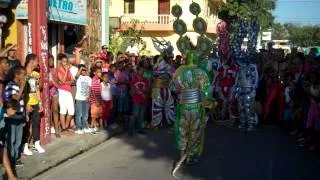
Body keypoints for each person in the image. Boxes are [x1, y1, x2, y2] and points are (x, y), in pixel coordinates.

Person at [4, 66, 26, 168]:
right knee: (11, 140)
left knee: (18, 140)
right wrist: (21, 87)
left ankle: (16, 158)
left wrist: (24, 115)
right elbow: (15, 99)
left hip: (19, 116)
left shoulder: (19, 85)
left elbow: (22, 101)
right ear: (17, 75)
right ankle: (11, 160)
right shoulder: (10, 85)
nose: (24, 76)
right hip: (12, 117)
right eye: (23, 74)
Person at [23, 54, 45, 155]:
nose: (38, 63)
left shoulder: (35, 74)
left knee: (36, 123)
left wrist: (40, 103)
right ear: (31, 61)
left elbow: (36, 89)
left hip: (35, 102)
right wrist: (26, 104)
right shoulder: (23, 73)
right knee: (26, 125)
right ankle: (25, 146)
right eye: (36, 61)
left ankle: (36, 144)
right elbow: (23, 91)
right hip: (27, 103)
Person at [1, 99, 26, 180]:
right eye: (14, 110)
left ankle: (11, 177)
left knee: (3, 150)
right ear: (9, 108)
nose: (15, 112)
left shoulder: (3, 113)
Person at [56, 54, 75, 133]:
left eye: (66, 62)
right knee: (63, 110)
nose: (65, 64)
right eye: (64, 62)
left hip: (68, 91)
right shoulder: (58, 70)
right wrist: (67, 71)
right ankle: (63, 128)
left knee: (71, 111)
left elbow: (72, 80)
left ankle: (66, 126)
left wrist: (67, 82)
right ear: (61, 62)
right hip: (62, 91)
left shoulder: (69, 70)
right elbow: (63, 81)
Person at [129, 66, 149, 136]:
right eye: (141, 70)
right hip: (136, 100)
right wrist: (141, 93)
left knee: (141, 116)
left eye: (143, 71)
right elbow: (133, 90)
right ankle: (130, 130)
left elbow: (147, 89)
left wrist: (140, 91)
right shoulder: (134, 79)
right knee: (134, 115)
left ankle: (139, 129)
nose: (142, 72)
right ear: (138, 71)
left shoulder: (145, 80)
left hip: (143, 100)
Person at [74, 65, 92, 134]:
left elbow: (90, 87)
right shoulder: (78, 77)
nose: (83, 71)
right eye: (82, 70)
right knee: (79, 114)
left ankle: (84, 126)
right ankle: (78, 128)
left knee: (85, 114)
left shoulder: (89, 78)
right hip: (79, 98)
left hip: (86, 98)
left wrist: (88, 96)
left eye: (84, 70)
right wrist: (81, 68)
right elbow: (76, 77)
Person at [49, 55, 61, 138]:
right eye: (49, 60)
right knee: (48, 112)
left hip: (54, 91)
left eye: (52, 60)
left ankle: (56, 129)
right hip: (46, 92)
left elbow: (57, 84)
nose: (51, 61)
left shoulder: (55, 70)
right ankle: (48, 127)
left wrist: (52, 81)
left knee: (55, 110)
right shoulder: (44, 69)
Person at [89, 66, 103, 132]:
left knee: (98, 114)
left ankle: (95, 127)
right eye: (99, 72)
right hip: (94, 101)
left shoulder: (98, 80)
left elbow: (99, 91)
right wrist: (96, 101)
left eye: (101, 72)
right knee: (94, 116)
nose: (100, 73)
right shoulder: (94, 80)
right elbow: (93, 91)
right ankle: (92, 127)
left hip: (99, 100)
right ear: (94, 73)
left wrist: (101, 101)